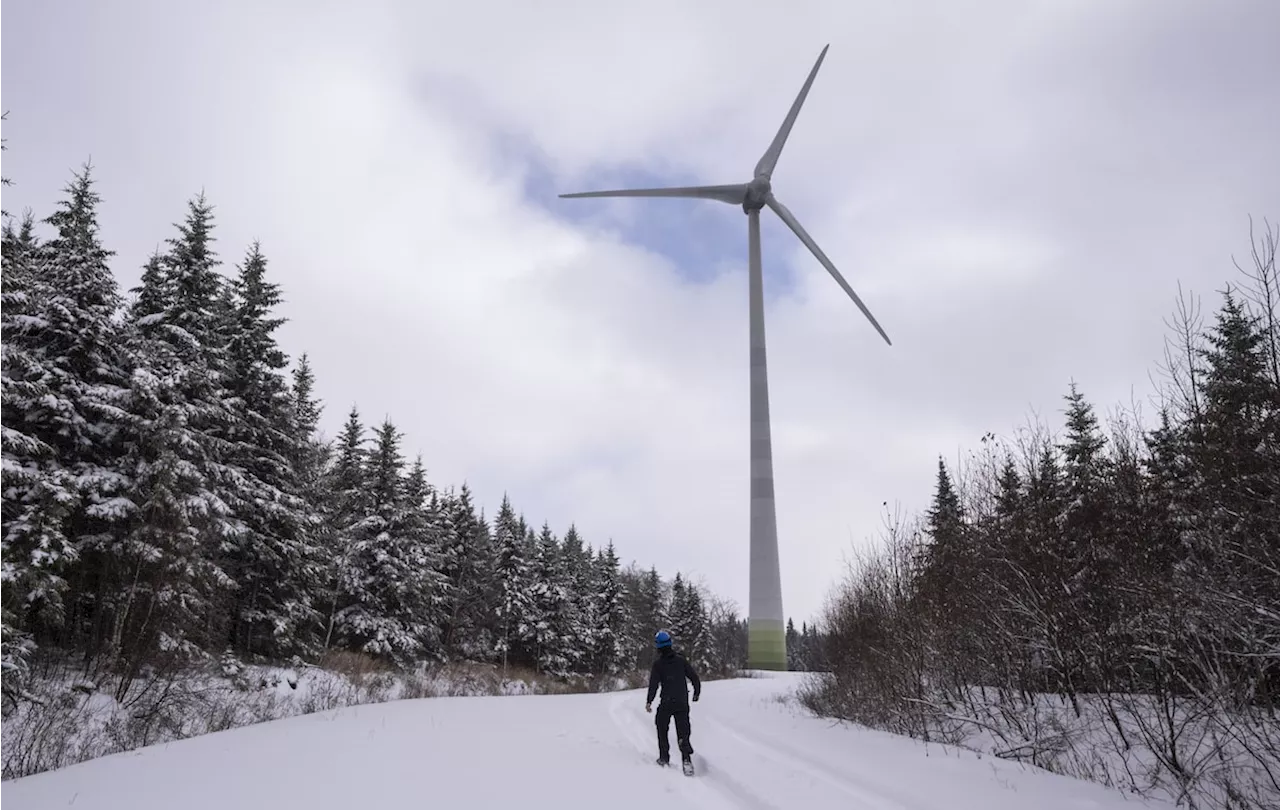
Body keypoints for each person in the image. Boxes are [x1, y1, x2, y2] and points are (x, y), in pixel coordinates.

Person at [645, 629, 701, 767]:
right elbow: (694, 677)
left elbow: (653, 685)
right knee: (683, 729)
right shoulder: (681, 660)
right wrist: (696, 693)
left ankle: (664, 757)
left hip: (667, 702)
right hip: (682, 702)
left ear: (658, 646)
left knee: (661, 726)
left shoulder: (658, 664)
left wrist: (649, 701)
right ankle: (686, 759)